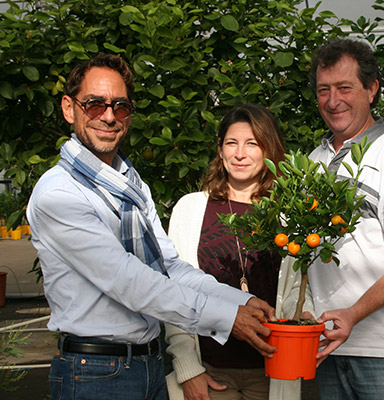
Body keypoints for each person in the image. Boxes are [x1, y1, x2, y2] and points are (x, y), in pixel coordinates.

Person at [26, 54, 277, 400]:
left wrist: (242, 300)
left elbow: (168, 267)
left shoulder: (131, 183)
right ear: (69, 109)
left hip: (147, 366)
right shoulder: (60, 194)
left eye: (120, 106)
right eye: (95, 105)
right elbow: (130, 281)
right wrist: (227, 316)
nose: (109, 116)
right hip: (94, 372)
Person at [307, 37, 384, 399]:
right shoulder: (314, 162)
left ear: (372, 89)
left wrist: (353, 313)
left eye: (345, 88)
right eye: (324, 90)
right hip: (331, 346)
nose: (333, 101)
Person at [165, 104, 312, 400]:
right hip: (209, 372)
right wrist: (188, 368)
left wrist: (308, 317)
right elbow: (173, 293)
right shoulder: (190, 209)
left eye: (252, 144)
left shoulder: (289, 215)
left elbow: (301, 289)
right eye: (232, 143)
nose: (240, 153)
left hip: (273, 373)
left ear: (269, 150)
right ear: (220, 150)